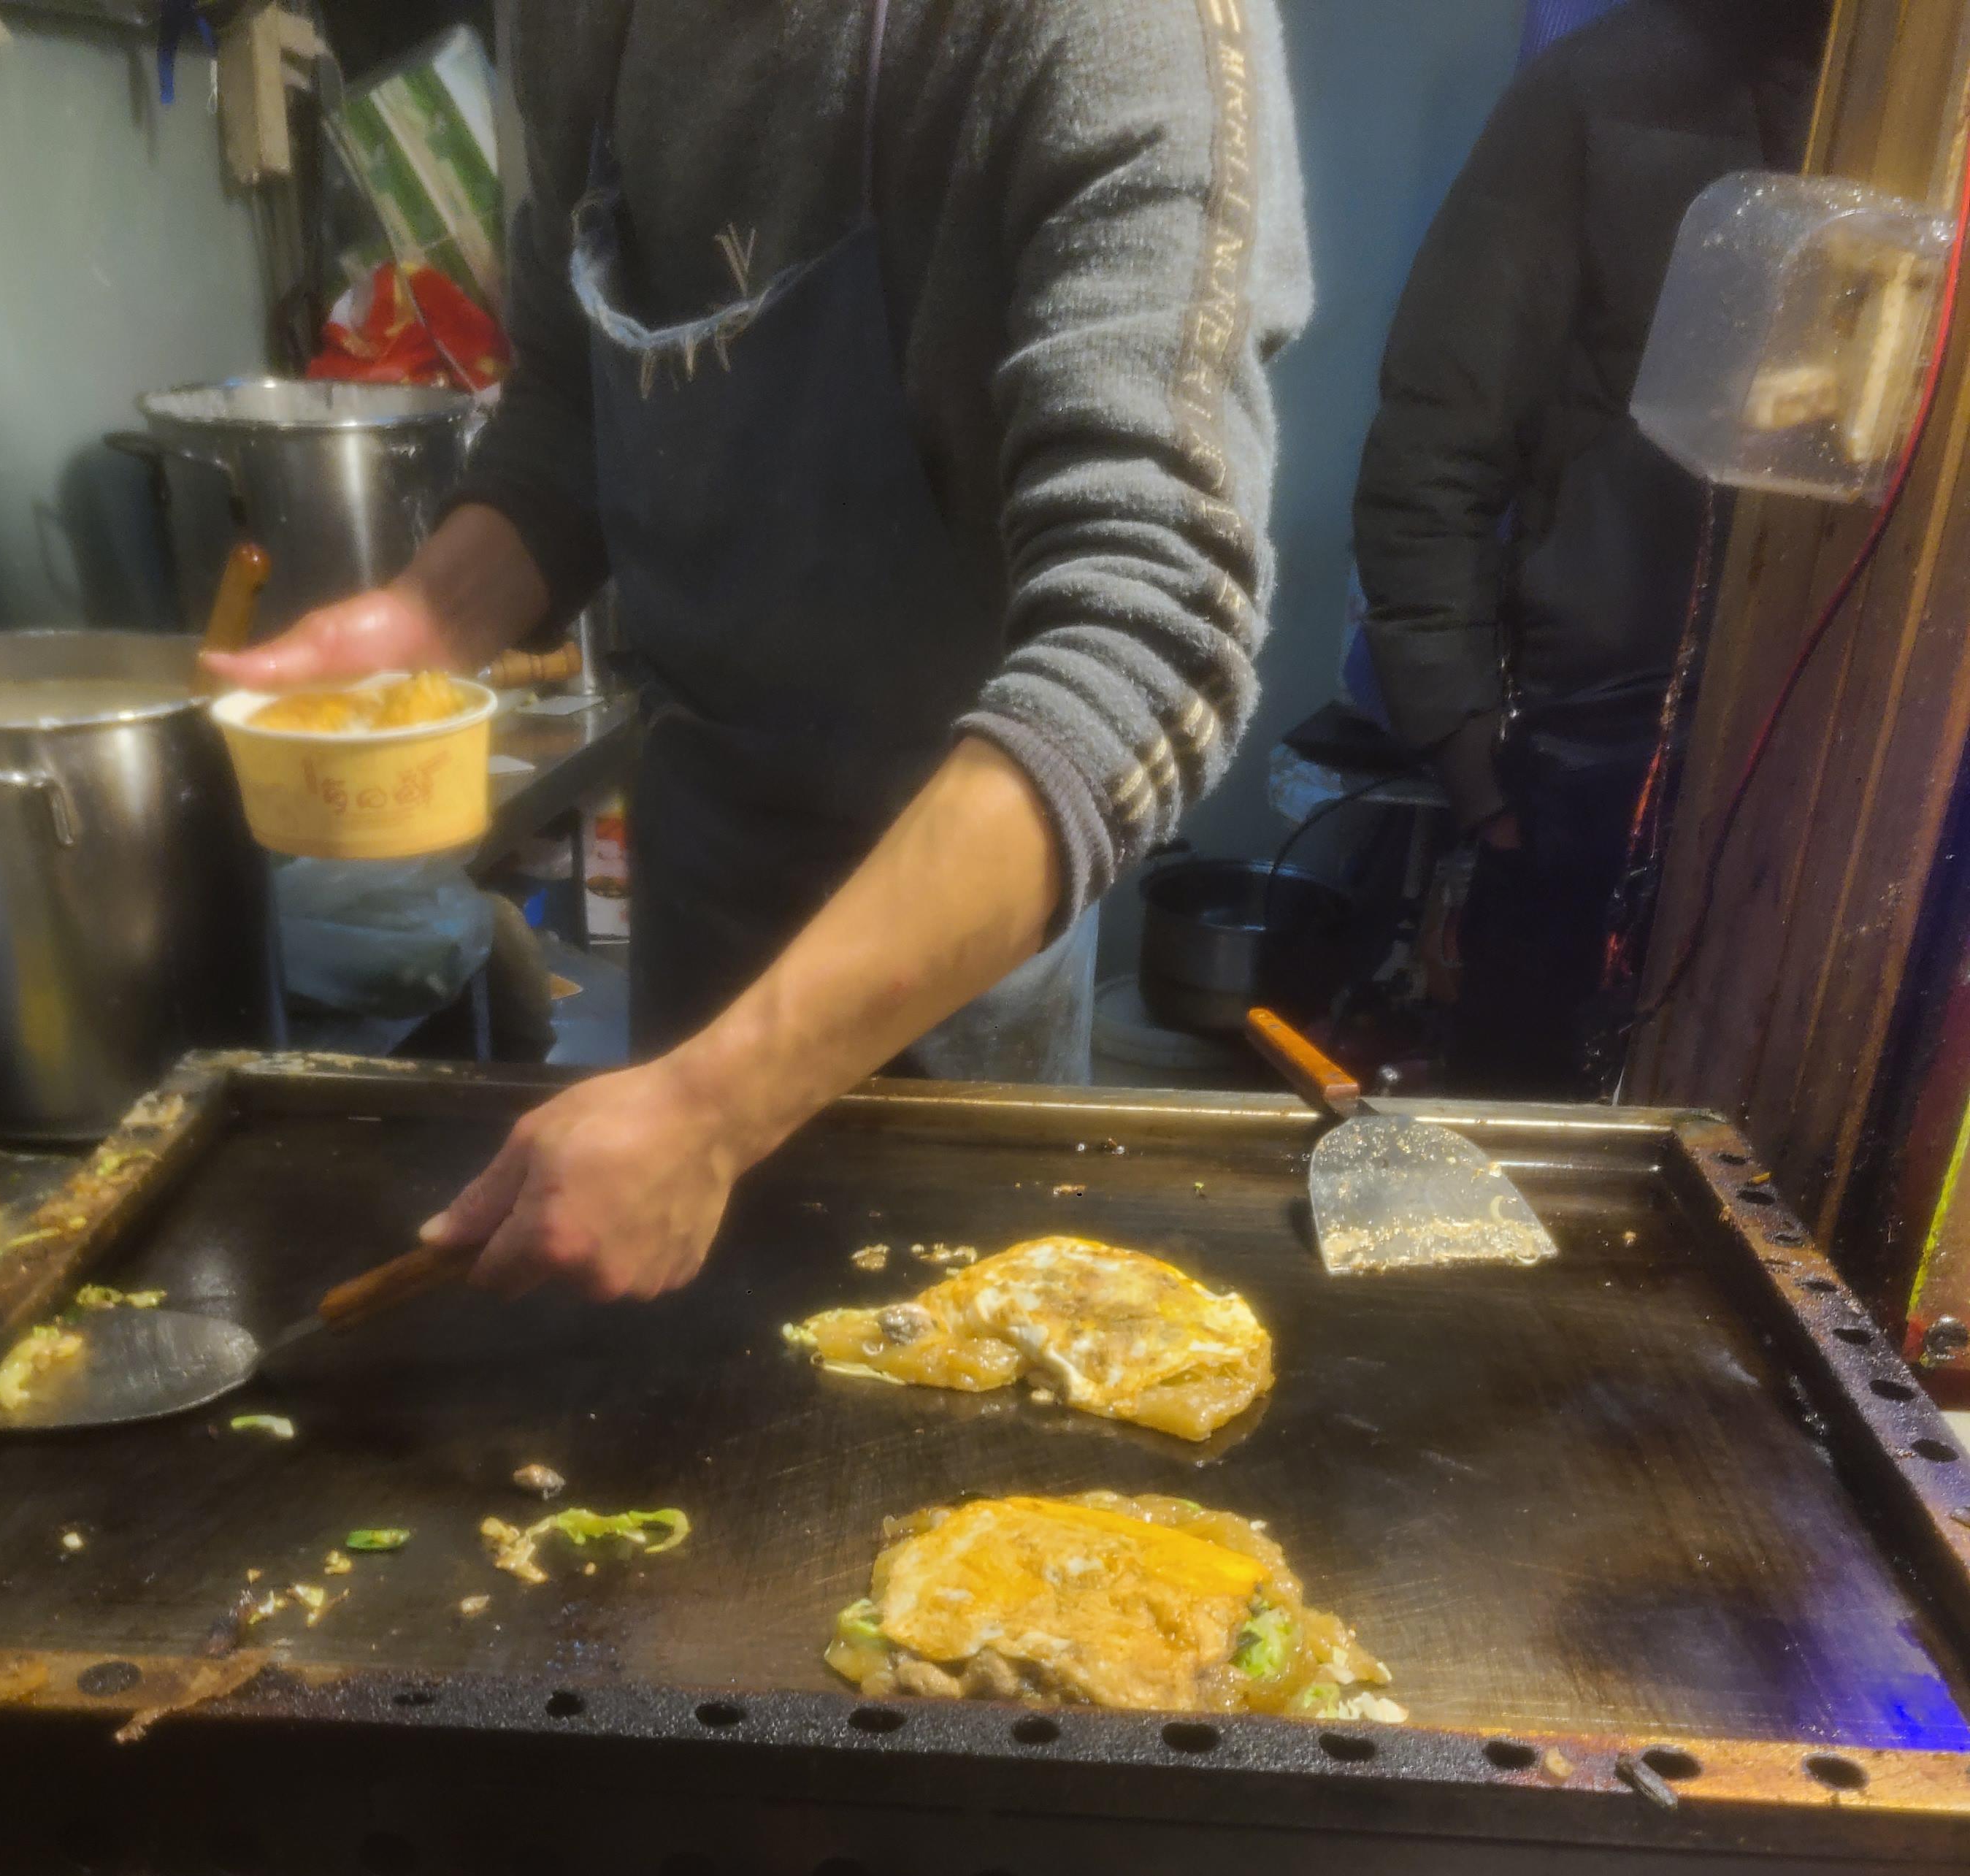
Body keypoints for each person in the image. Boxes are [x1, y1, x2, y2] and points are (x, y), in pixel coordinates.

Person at [217, 0, 1309, 1298]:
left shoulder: (1112, 27)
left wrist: (717, 1106)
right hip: (702, 891)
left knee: (939, 1362)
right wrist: (428, 620)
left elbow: (1152, 636)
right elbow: (570, 404)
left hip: (959, 941)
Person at [1350, 0, 1827, 1095]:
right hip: (1596, 750)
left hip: (1836, 773)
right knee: (1527, 1128)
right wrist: (1461, 739)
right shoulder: (1598, 88)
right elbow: (1440, 426)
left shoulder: (1929, 112)